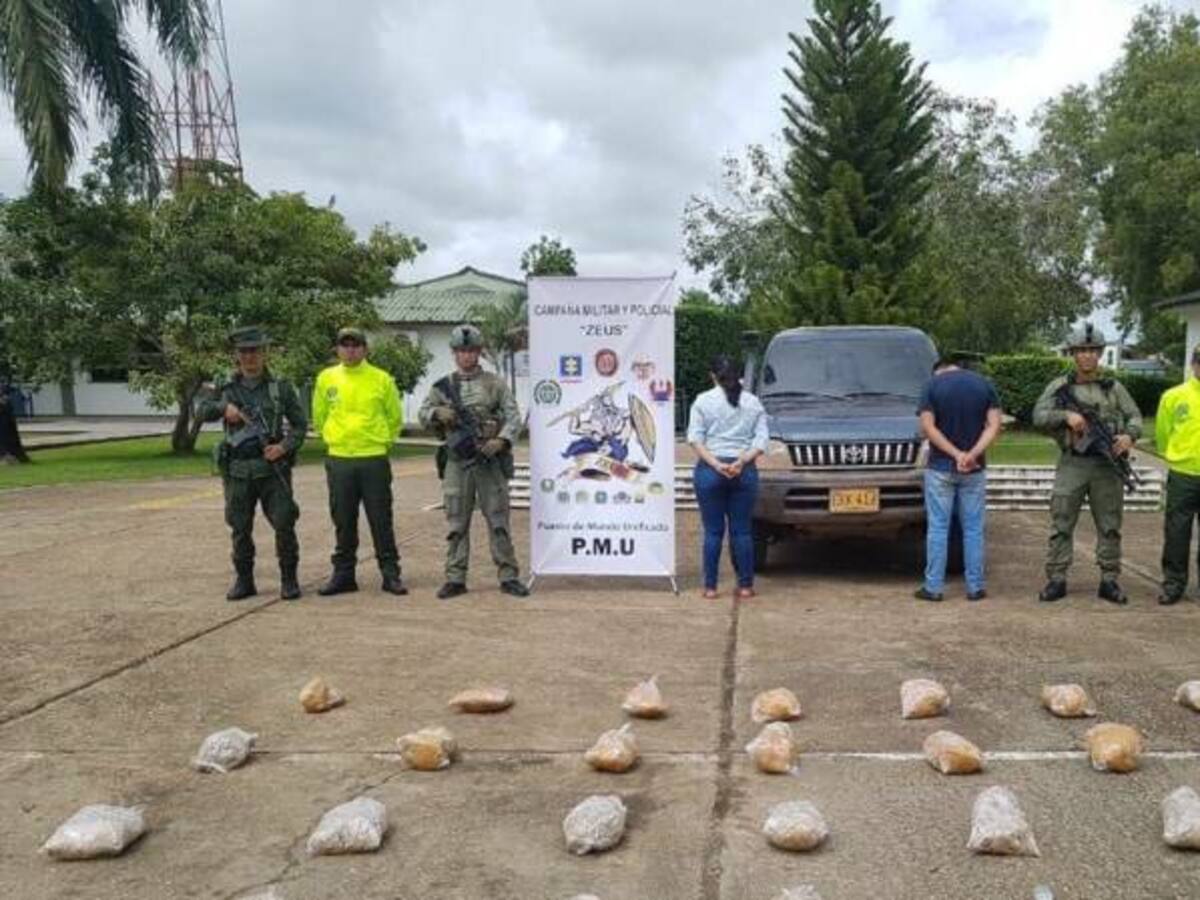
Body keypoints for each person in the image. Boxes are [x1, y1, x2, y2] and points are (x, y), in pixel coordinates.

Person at [1032, 323, 1143, 604]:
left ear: (1100, 354)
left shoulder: (1114, 388)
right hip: (1073, 463)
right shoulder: (1060, 386)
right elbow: (1038, 416)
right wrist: (1066, 417)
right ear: (1073, 354)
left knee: (1110, 525)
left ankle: (1109, 580)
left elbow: (1135, 418)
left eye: (1093, 351)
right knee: (1061, 522)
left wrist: (1128, 437)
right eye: (1082, 350)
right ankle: (1056, 579)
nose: (1088, 356)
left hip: (1107, 467)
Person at [418, 323, 527, 599]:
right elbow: (422, 414)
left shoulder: (495, 384)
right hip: (457, 463)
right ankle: (455, 577)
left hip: (489, 463)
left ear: (478, 352)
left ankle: (508, 575)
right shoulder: (443, 386)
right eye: (461, 351)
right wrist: (437, 414)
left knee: (499, 521)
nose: (466, 356)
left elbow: (514, 417)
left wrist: (501, 440)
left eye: (471, 350)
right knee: (456, 523)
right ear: (454, 353)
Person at [197, 326, 307, 601]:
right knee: (239, 528)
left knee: (284, 524)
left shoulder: (279, 388)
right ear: (236, 355)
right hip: (237, 472)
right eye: (244, 352)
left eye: (254, 351)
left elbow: (300, 425)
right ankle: (244, 580)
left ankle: (289, 580)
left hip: (272, 470)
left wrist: (283, 447)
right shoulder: (225, 387)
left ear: (263, 353)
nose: (249, 357)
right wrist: (224, 408)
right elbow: (201, 412)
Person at [311, 326, 407, 597]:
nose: (350, 350)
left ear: (365, 349)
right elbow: (319, 416)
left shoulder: (381, 379)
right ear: (337, 349)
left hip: (373, 458)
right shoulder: (326, 378)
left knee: (380, 519)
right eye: (345, 345)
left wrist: (382, 442)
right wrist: (334, 439)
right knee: (343, 518)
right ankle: (344, 575)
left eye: (355, 345)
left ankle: (390, 574)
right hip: (340, 458)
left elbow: (394, 417)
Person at [914, 356, 1002, 602]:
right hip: (974, 469)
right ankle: (975, 587)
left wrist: (955, 454)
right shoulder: (984, 384)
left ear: (938, 371)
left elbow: (928, 428)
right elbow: (994, 426)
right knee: (973, 529)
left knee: (938, 528)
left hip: (940, 467)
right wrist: (972, 454)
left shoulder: (931, 386)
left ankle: (933, 587)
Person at [686, 355, 769, 600]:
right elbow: (761, 441)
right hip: (743, 470)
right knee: (742, 531)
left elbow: (695, 439)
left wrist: (716, 464)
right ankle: (745, 586)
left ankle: (710, 588)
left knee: (713, 532)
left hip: (711, 470)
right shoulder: (753, 403)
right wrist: (741, 461)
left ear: (713, 375)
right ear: (739, 374)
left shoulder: (702, 401)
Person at [1155, 346, 1200, 605]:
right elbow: (1163, 434)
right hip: (1183, 474)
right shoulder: (1174, 396)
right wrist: (1174, 455)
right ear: (1194, 364)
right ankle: (1173, 584)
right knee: (1177, 533)